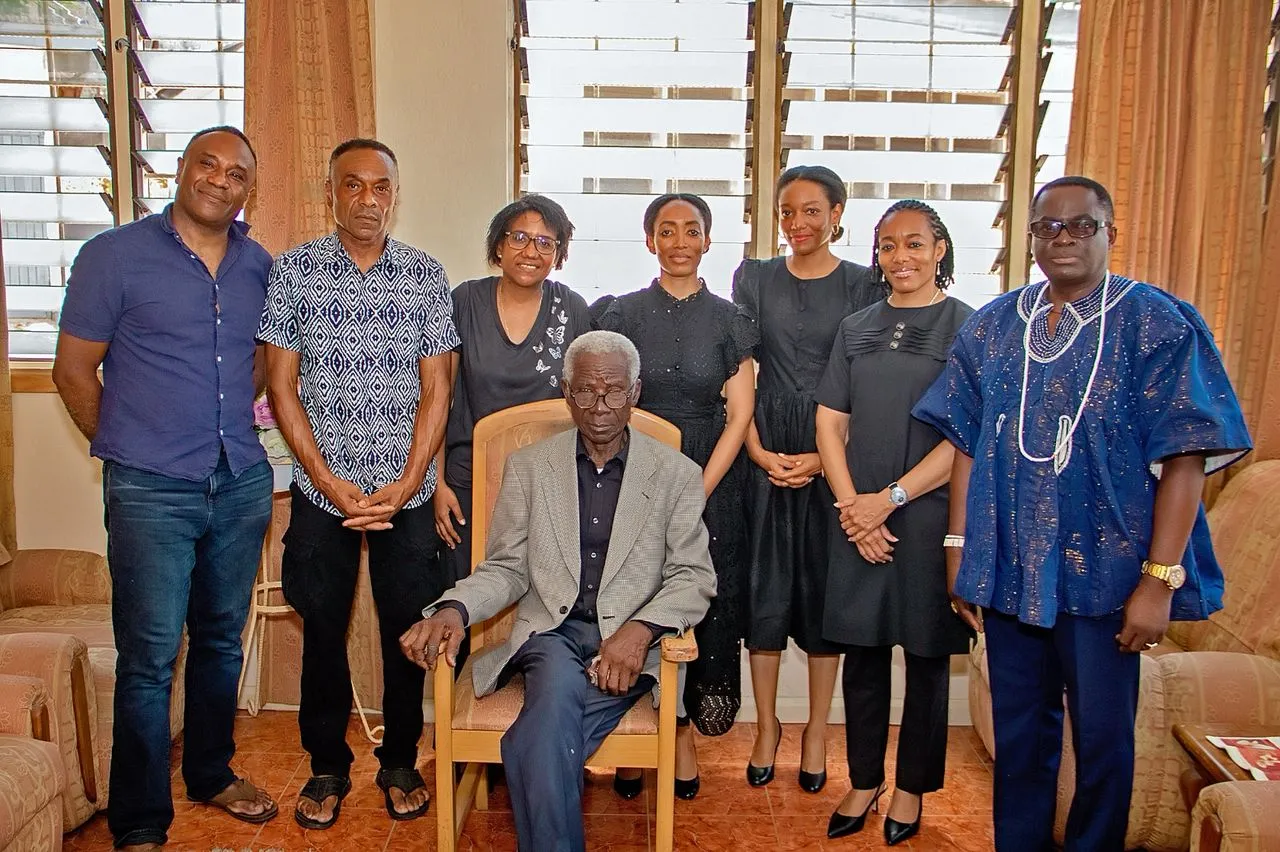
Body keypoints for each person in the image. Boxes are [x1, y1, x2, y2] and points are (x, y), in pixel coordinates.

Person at [913, 176, 1252, 851]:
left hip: (1109, 576)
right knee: (1020, 738)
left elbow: (1185, 456)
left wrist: (1158, 580)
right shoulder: (994, 326)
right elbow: (967, 443)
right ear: (1031, 237)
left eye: (1081, 225)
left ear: (1110, 233)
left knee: (1101, 742)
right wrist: (960, 549)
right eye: (1048, 226)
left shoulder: (1156, 321)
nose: (1062, 237)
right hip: (1011, 571)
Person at [399, 330, 716, 852]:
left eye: (614, 391)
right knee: (554, 676)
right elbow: (506, 568)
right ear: (567, 392)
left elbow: (694, 576)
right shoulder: (531, 467)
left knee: (542, 735)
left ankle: (535, 749)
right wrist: (454, 609)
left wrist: (640, 631)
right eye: (585, 390)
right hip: (552, 634)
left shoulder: (676, 475)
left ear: (635, 392)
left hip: (629, 647)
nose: (600, 406)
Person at [52, 126, 277, 850]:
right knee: (148, 658)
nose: (220, 179)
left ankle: (211, 773)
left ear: (249, 190)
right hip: (149, 489)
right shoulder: (112, 256)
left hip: (239, 482)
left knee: (220, 642)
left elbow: (258, 365)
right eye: (207, 164)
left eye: (236, 173)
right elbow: (72, 371)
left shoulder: (259, 267)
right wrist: (125, 446)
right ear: (180, 170)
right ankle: (142, 818)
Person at [258, 138, 458, 829]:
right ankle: (326, 766)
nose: (368, 199)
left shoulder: (426, 274)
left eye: (381, 187)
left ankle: (399, 760)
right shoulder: (294, 271)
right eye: (353, 185)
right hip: (324, 493)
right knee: (322, 626)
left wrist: (410, 482)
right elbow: (282, 386)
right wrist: (326, 480)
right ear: (331, 193)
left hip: (406, 492)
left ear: (394, 196)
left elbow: (438, 389)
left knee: (409, 627)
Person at [814, 200, 974, 845]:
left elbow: (965, 437)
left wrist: (890, 500)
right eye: (887, 245)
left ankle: (910, 788)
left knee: (928, 658)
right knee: (863, 653)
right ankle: (863, 779)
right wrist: (855, 509)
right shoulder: (855, 327)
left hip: (930, 516)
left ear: (939, 249)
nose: (899, 256)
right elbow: (830, 424)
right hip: (857, 515)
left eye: (914, 243)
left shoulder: (968, 326)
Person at [592, 193, 756, 799]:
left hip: (713, 477)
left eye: (692, 230)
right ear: (650, 241)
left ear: (708, 241)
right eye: (667, 230)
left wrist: (694, 491)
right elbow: (608, 399)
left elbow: (740, 416)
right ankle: (634, 730)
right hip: (634, 473)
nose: (680, 241)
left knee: (696, 602)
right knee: (630, 598)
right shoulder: (622, 314)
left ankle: (681, 736)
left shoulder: (732, 320)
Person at [732, 164, 883, 792]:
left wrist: (827, 458)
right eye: (787, 212)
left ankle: (818, 730)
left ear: (837, 213)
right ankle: (766, 726)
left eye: (812, 211)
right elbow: (741, 368)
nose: (798, 223)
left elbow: (869, 381)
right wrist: (756, 449)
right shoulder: (754, 276)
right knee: (764, 592)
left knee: (826, 595)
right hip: (765, 440)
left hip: (837, 449)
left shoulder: (863, 283)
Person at [435, 195, 591, 615]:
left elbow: (585, 405)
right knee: (463, 601)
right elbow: (437, 396)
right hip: (467, 482)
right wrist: (437, 483)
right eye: (519, 237)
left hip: (548, 487)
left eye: (545, 242)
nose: (531, 251)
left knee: (539, 608)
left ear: (558, 254)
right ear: (499, 245)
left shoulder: (572, 309)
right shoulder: (465, 301)